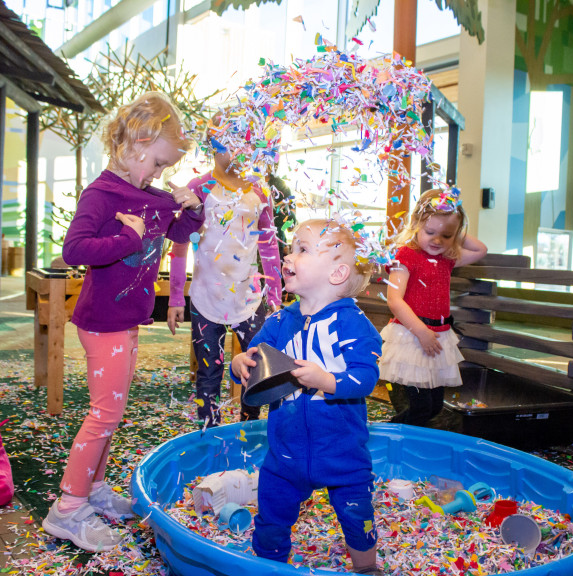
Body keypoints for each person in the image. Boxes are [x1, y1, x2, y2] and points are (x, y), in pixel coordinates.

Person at [42, 92, 204, 553]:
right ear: (136, 142)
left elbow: (177, 232)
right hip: (102, 322)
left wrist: (191, 208)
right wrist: (126, 236)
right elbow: (75, 250)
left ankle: (92, 490)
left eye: (165, 167)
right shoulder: (103, 193)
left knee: (110, 414)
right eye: (156, 162)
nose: (159, 174)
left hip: (128, 320)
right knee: (103, 415)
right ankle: (68, 508)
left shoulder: (150, 195)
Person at [231, 219, 383, 575]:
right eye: (291, 247)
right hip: (286, 451)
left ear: (337, 272)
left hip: (342, 451)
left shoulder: (354, 323)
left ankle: (366, 567)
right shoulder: (281, 319)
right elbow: (255, 356)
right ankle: (270, 565)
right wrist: (241, 361)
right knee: (271, 513)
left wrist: (326, 380)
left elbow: (366, 378)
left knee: (357, 515)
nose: (288, 255)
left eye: (301, 249)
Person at [167, 132, 282, 428]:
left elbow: (269, 245)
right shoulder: (199, 187)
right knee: (208, 372)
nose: (238, 152)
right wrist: (177, 297)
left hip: (248, 297)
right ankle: (210, 434)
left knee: (255, 368)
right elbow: (180, 245)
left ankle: (249, 428)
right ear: (213, 148)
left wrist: (275, 297)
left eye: (245, 144)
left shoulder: (260, 191)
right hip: (207, 297)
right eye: (229, 146)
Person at [379, 188, 488, 427]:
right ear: (417, 224)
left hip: (438, 336)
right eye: (430, 232)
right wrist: (420, 332)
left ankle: (394, 427)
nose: (437, 240)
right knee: (420, 406)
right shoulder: (406, 255)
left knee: (434, 406)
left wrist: (453, 228)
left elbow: (481, 250)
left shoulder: (447, 258)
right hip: (413, 335)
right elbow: (395, 300)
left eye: (446, 235)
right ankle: (393, 432)